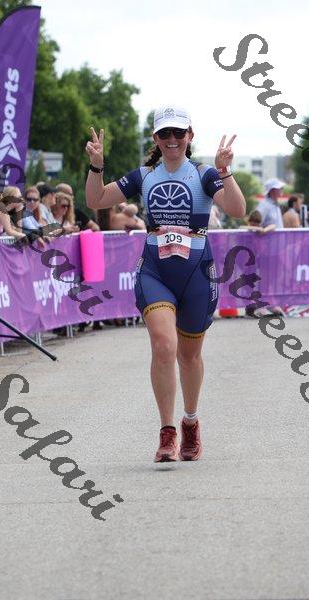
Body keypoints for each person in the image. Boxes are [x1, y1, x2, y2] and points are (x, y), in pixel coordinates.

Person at [85, 105, 245, 462]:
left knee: (189, 356)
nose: (172, 139)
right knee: (163, 346)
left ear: (190, 136)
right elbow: (96, 200)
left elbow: (237, 208)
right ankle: (167, 432)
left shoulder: (203, 174)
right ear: (155, 138)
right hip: (156, 271)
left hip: (196, 274)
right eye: (165, 133)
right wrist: (96, 166)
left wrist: (225, 172)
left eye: (178, 133)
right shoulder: (144, 176)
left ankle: (190, 421)